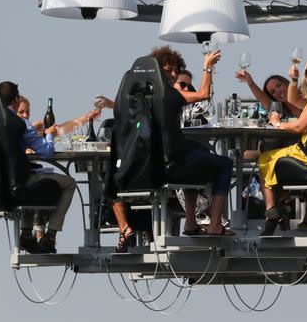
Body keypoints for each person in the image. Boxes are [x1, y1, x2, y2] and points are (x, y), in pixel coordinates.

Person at [97, 46, 234, 251]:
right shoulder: (168, 94)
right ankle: (215, 224)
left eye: (175, 70)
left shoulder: (128, 99)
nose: (172, 74)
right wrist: (208, 67)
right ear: (157, 70)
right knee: (224, 163)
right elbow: (204, 94)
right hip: (169, 170)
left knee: (198, 152)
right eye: (167, 70)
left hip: (137, 169)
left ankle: (190, 223)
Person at [0, 81, 77, 254]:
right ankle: (50, 236)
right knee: (69, 183)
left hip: (0, 183)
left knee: (31, 177)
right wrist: (49, 135)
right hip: (20, 181)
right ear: (17, 99)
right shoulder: (20, 123)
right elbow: (46, 153)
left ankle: (26, 233)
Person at [255, 56, 307, 235]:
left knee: (266, 158)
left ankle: (272, 212)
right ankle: (275, 211)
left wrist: (277, 124)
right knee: (268, 157)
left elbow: (299, 126)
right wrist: (294, 80)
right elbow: (295, 100)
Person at [16, 96, 100, 239]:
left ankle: (36, 233)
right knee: (61, 183)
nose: (25, 115)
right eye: (21, 112)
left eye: (27, 112)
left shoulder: (30, 127)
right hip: (24, 177)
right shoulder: (25, 128)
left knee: (48, 181)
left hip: (29, 174)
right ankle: (46, 235)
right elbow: (44, 150)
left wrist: (87, 117)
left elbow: (63, 128)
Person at [235, 70, 303, 118]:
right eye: (273, 92)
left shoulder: (305, 97)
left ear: (287, 83)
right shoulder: (279, 111)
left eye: (279, 86)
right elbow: (263, 99)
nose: (278, 91)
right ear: (273, 98)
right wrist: (250, 82)